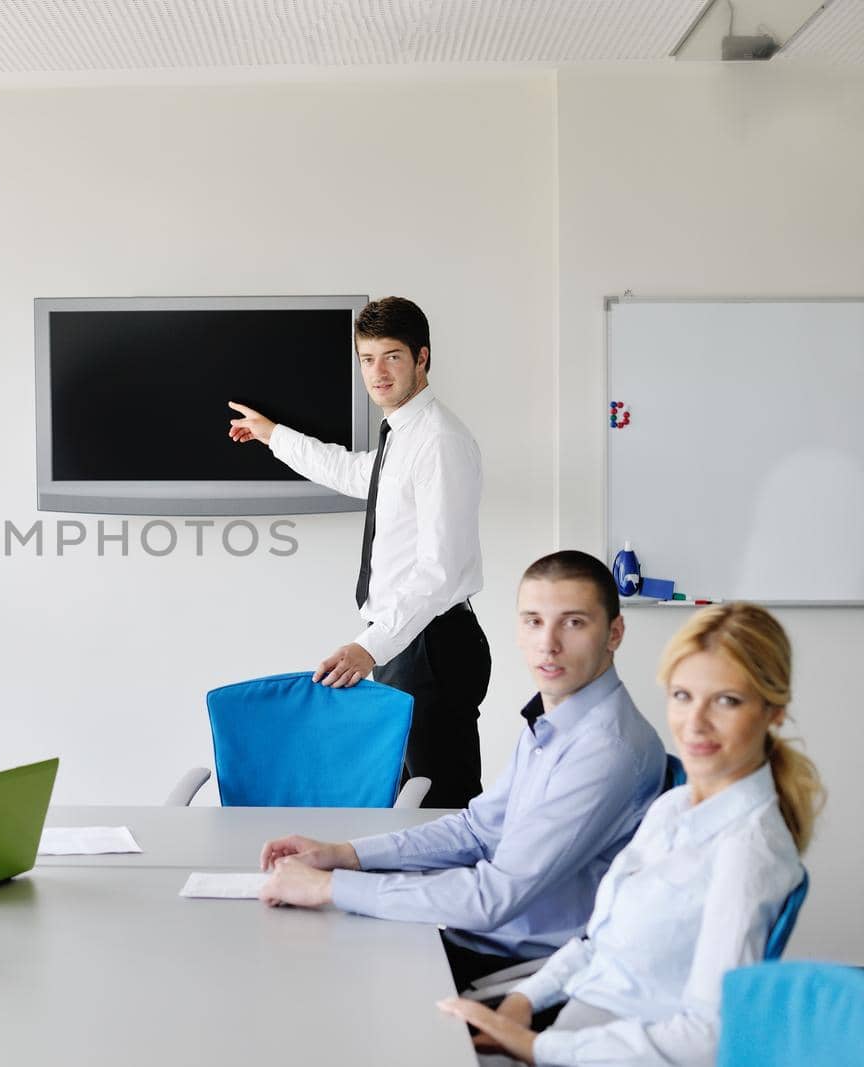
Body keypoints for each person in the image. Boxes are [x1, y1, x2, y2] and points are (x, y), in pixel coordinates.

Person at [258, 551, 666, 990]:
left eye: (573, 623)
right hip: (477, 940)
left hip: (522, 974)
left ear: (614, 633)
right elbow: (475, 829)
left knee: (309, 981)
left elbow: (493, 896)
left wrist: (328, 888)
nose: (548, 643)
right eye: (533, 621)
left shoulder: (605, 749)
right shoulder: (557, 720)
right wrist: (343, 855)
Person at [439, 602, 823, 1065]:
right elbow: (596, 943)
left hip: (613, 1048)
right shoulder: (675, 805)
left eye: (727, 700)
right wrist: (520, 1007)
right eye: (682, 695)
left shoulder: (747, 852)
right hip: (574, 1024)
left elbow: (706, 1036)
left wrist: (537, 1046)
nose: (695, 722)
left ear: (773, 711)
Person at [228, 296, 489, 806]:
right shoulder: (404, 436)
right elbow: (353, 473)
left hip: (431, 646)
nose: (378, 373)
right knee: (405, 804)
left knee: (442, 806)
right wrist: (273, 435)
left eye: (392, 356)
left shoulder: (439, 441)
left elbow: (440, 569)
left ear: (422, 357)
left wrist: (370, 646)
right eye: (367, 359)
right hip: (406, 642)